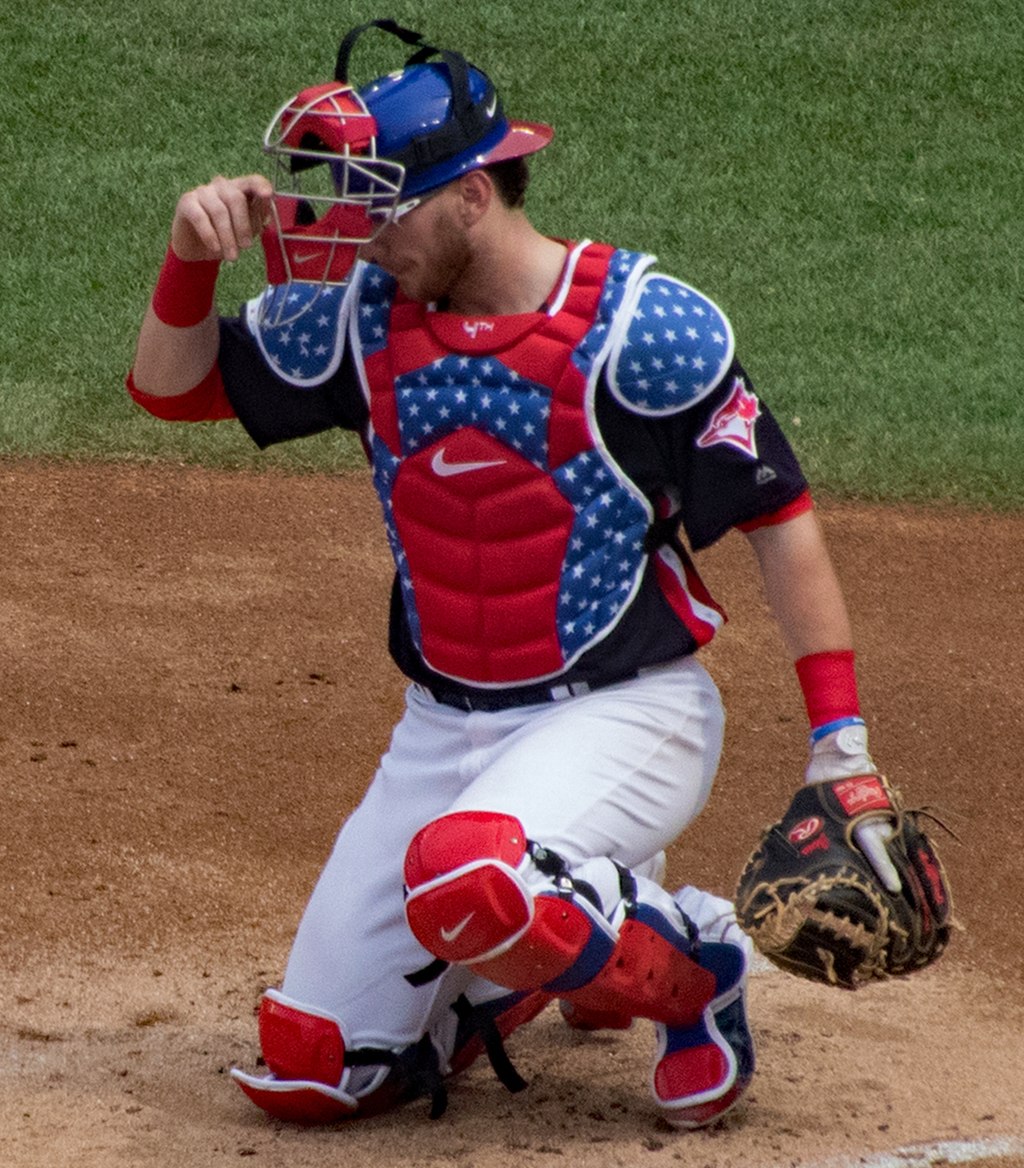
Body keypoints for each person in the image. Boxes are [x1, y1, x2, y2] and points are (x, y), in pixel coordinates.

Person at [127, 20, 885, 1130]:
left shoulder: (640, 330)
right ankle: (539, 939)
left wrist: (842, 745)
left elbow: (781, 518)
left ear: (473, 194)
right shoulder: (364, 320)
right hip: (441, 730)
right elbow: (171, 387)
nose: (365, 233)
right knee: (312, 1064)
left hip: (629, 714)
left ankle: (697, 967)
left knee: (472, 868)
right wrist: (191, 254)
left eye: (386, 205)